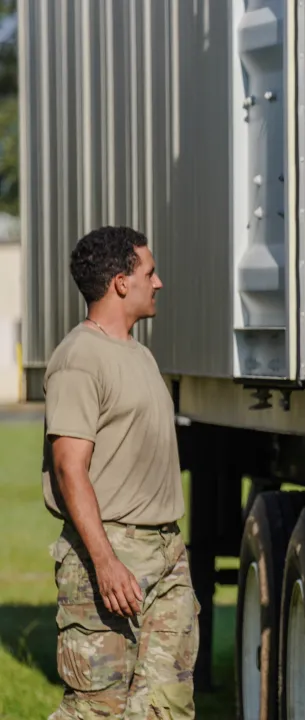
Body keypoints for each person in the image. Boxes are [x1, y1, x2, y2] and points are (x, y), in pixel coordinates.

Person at [41, 226, 197, 718]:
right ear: (120, 282)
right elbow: (70, 469)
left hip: (165, 551)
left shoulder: (140, 354)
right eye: (149, 272)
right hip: (109, 552)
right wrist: (105, 562)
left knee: (166, 705)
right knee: (98, 709)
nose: (159, 283)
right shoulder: (79, 359)